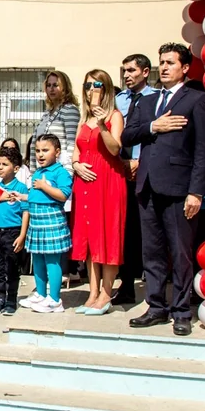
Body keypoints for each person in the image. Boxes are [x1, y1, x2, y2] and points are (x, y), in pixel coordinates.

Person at [122, 43, 205, 336]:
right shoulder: (147, 103)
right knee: (152, 252)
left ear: (185, 68)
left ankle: (181, 310)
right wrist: (154, 127)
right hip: (147, 187)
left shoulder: (196, 100)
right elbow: (127, 133)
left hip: (178, 189)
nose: (163, 68)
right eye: (161, 62)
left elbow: (204, 150)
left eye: (170, 63)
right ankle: (156, 307)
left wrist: (196, 192)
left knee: (180, 252)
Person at [71, 70, 128, 316]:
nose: (91, 90)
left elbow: (115, 149)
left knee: (108, 236)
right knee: (90, 239)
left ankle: (106, 293)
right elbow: (75, 149)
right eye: (87, 85)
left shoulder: (114, 116)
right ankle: (92, 293)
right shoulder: (83, 119)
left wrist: (103, 124)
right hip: (85, 183)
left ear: (105, 88)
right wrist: (76, 165)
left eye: (96, 85)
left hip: (108, 181)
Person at [115, 53, 157, 304]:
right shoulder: (119, 100)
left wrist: (140, 161)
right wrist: (122, 161)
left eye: (131, 70)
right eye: (124, 71)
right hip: (122, 170)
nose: (127, 75)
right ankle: (126, 285)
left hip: (146, 170)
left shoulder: (157, 99)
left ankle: (153, 287)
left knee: (147, 232)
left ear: (145, 72)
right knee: (126, 231)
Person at [19, 135, 73, 313]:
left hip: (51, 220)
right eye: (37, 151)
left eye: (45, 150)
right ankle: (41, 294)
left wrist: (44, 186)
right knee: (38, 261)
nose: (40, 155)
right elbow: (35, 196)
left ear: (57, 152)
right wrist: (21, 197)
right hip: (36, 221)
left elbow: (63, 195)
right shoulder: (38, 172)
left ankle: (55, 300)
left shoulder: (61, 172)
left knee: (52, 262)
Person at [0, 146, 28, 316]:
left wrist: (22, 235)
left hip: (13, 231)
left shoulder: (21, 188)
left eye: (5, 164)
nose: (0, 167)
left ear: (16, 168)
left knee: (11, 267)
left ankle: (11, 299)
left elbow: (26, 211)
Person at [31, 70, 80, 172]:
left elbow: (72, 144)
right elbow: (34, 143)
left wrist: (68, 174)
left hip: (60, 171)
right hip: (41, 171)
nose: (51, 89)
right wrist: (32, 172)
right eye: (48, 85)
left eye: (55, 85)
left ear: (64, 88)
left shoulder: (70, 110)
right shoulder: (46, 113)